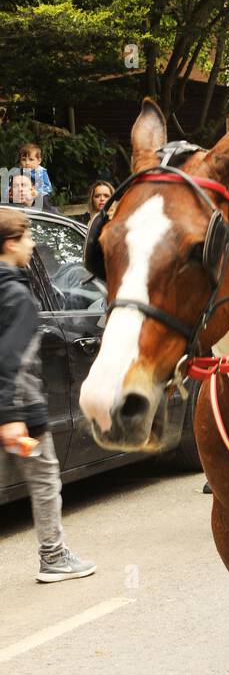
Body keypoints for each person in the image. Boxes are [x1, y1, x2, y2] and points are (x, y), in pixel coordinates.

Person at [0, 208, 96, 582]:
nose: (32, 243)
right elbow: (12, 361)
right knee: (44, 481)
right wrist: (12, 416)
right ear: (10, 244)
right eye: (26, 237)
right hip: (21, 413)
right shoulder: (18, 297)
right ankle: (54, 556)